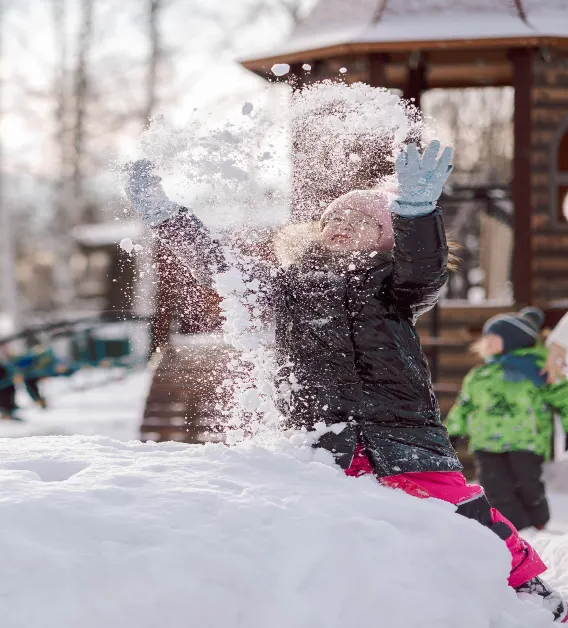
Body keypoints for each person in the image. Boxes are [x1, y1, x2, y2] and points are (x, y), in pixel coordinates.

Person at [123, 141, 568, 622]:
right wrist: (167, 216)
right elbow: (219, 264)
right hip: (320, 440)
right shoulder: (284, 286)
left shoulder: (393, 286)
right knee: (337, 531)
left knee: (463, 515)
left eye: (357, 222)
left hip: (403, 434)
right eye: (332, 219)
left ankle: (531, 592)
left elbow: (425, 269)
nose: (339, 226)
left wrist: (416, 212)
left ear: (382, 238)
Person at [447, 307, 568, 532]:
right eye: (486, 338)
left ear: (513, 340)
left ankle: (538, 522)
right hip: (486, 442)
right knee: (494, 486)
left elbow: (564, 398)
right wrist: (450, 433)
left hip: (526, 441)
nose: (487, 343)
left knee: (528, 485)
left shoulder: (538, 369)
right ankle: (516, 529)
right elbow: (464, 406)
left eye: (494, 338)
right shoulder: (480, 375)